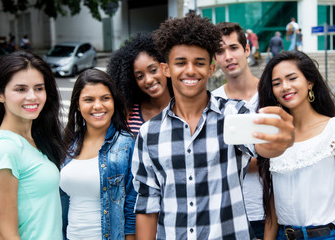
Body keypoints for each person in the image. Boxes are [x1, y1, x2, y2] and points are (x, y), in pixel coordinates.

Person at [131, 13, 295, 240]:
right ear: (166, 69)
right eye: (180, 63)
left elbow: (262, 146)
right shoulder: (149, 134)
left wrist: (280, 138)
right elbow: (148, 207)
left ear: (210, 69)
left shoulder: (234, 113)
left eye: (199, 63)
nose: (190, 70)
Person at [257, 51, 335, 239]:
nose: (285, 87)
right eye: (276, 83)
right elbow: (273, 202)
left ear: (310, 82)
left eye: (292, 78)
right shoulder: (274, 136)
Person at [0, 51, 66, 239]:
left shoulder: (36, 140)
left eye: (39, 88)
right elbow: (8, 235)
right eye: (21, 89)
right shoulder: (6, 148)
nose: (32, 97)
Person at [60, 69, 137, 240]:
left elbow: (133, 205)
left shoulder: (126, 144)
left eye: (105, 98)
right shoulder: (68, 144)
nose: (98, 106)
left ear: (114, 102)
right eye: (88, 100)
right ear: (78, 105)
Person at [213, 22, 265, 239]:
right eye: (220, 51)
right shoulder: (213, 103)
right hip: (228, 215)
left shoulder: (273, 93)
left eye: (233, 48)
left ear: (246, 49)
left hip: (273, 212)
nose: (228, 56)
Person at [107, 32, 173, 135]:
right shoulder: (129, 114)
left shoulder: (184, 108)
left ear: (165, 67)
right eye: (140, 76)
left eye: (153, 70)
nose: (148, 80)